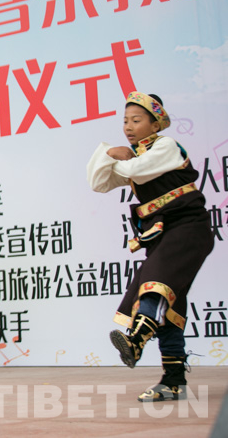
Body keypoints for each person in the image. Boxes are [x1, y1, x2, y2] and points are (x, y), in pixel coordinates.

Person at [86, 92, 214, 402]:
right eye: (125, 121)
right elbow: (98, 182)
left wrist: (115, 155)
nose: (128, 127)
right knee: (170, 306)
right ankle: (173, 381)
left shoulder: (165, 147)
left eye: (136, 120)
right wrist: (108, 153)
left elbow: (135, 171)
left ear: (155, 124)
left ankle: (136, 340)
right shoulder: (135, 156)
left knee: (154, 283)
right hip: (164, 234)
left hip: (188, 228)